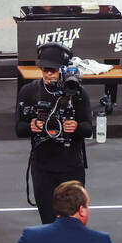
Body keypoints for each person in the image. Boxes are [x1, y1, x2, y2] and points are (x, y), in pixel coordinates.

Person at [14, 44, 93, 224]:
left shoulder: (77, 93)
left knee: (73, 221)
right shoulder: (29, 92)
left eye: (53, 70)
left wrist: (76, 127)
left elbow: (88, 128)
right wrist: (31, 126)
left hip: (71, 166)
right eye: (45, 69)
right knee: (48, 221)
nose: (48, 74)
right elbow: (19, 129)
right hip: (43, 167)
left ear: (62, 69)